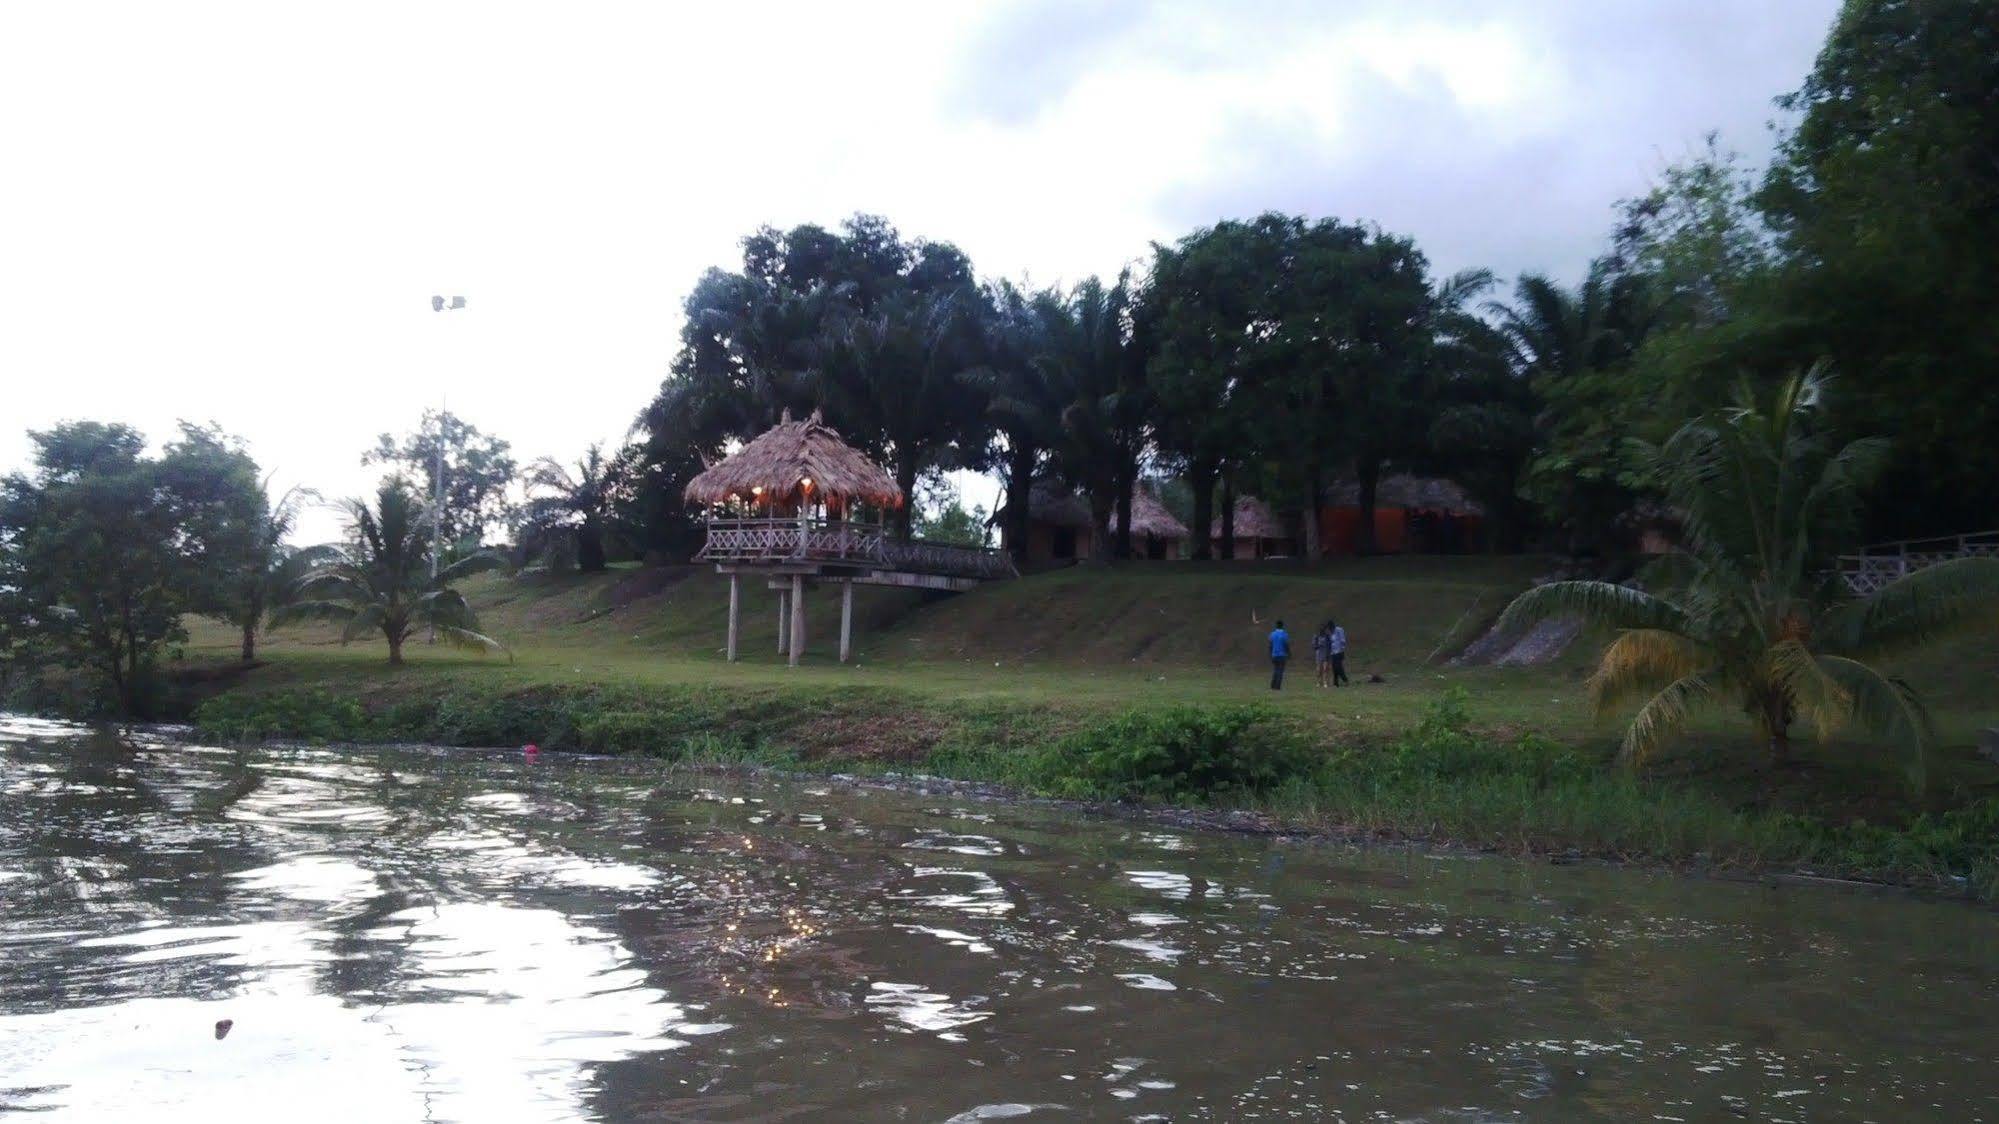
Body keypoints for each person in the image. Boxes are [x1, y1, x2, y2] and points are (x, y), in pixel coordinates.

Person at [1268, 619, 1290, 690]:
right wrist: (1289, 653)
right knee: (1280, 671)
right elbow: (1286, 645)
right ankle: (1277, 686)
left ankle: (1272, 685)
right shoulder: (1284, 634)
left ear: (1276, 626)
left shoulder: (1272, 634)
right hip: (1282, 655)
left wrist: (1270, 654)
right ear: (1282, 626)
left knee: (1275, 670)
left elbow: (1270, 645)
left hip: (1274, 655)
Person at [1327, 618, 1350, 686]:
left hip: (1339, 651)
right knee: (1334, 668)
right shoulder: (1331, 632)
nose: (1330, 629)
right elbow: (1331, 642)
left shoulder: (1339, 630)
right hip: (1333, 652)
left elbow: (1343, 640)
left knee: (1339, 667)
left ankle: (1345, 680)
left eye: (1331, 628)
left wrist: (1342, 649)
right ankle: (1335, 682)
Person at [1313, 622, 1333, 688]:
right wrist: (1319, 645)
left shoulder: (1327, 636)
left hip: (1326, 655)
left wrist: (1329, 654)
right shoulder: (1316, 636)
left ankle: (1325, 682)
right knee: (1319, 670)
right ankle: (1318, 682)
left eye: (1324, 629)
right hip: (1319, 655)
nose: (1322, 630)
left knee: (1325, 669)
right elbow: (1314, 646)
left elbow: (1330, 645)